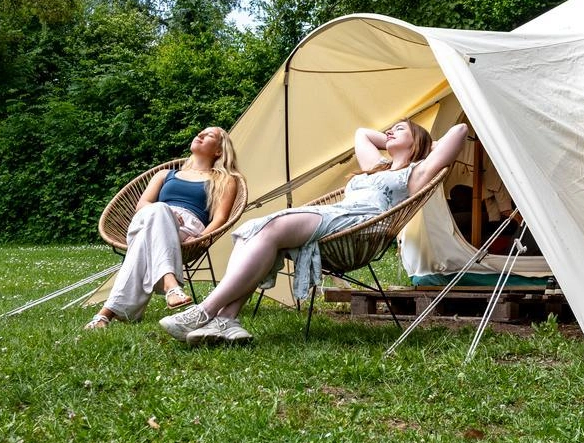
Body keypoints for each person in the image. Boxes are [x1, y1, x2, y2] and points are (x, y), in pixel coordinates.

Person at [160, 119, 469, 344]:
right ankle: (226, 320)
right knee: (253, 230)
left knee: (272, 227)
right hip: (334, 217)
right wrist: (397, 136)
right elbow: (361, 133)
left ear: (418, 143)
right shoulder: (377, 166)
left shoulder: (416, 173)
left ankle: (204, 311)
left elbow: (460, 131)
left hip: (359, 226)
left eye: (399, 129)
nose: (389, 131)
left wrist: (428, 146)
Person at [84, 126, 243, 329]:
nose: (200, 135)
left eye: (209, 135)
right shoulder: (164, 174)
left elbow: (220, 218)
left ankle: (107, 314)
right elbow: (142, 205)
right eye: (200, 133)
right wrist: (166, 213)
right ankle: (170, 284)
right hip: (148, 219)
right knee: (158, 210)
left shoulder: (224, 180)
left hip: (185, 231)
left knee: (144, 240)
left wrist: (201, 237)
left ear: (219, 151)